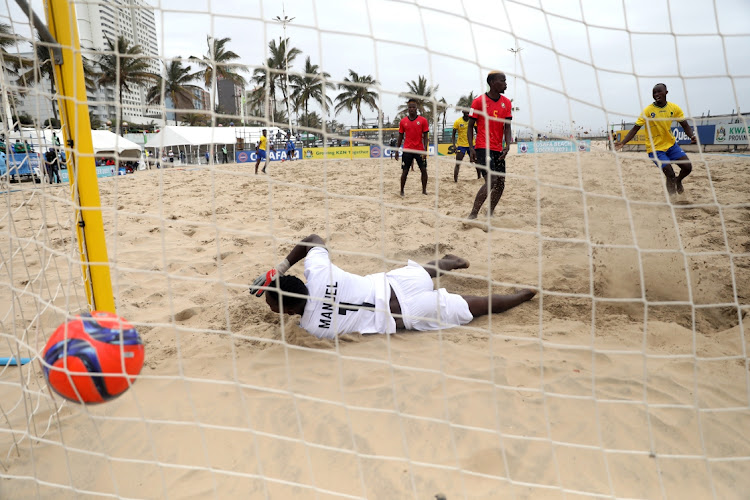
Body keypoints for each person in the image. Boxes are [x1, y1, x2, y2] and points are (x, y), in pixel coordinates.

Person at [248, 234, 536, 338]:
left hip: (407, 315)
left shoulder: (312, 329)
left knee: (477, 306)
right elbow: (313, 239)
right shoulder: (318, 274)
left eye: (270, 303)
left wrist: (274, 281)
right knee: (424, 273)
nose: (268, 306)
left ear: (284, 308)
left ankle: (521, 296)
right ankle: (448, 262)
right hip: (394, 284)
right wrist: (279, 270)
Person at [615, 83, 697, 195]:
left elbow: (685, 125)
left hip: (671, 145)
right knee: (670, 173)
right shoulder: (648, 111)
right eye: (654, 92)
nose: (656, 94)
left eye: (659, 91)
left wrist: (691, 136)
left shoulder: (674, 108)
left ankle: (679, 181)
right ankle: (673, 200)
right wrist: (623, 143)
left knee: (687, 167)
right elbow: (635, 129)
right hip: (655, 149)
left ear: (666, 92)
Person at [466, 71, 513, 220]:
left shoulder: (507, 102)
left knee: (500, 183)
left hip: (498, 148)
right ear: (492, 82)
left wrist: (507, 145)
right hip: (482, 146)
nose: (506, 84)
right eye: (503, 80)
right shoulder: (478, 102)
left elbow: (507, 127)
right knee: (492, 180)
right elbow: (470, 126)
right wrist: (471, 148)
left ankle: (490, 213)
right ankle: (473, 214)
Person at [395, 99, 430, 196]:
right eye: (410, 107)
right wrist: (397, 150)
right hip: (407, 150)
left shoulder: (423, 120)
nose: (412, 109)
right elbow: (400, 136)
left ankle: (424, 190)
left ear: (416, 108)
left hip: (419, 150)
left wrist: (425, 150)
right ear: (408, 109)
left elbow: (426, 136)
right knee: (405, 171)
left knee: (423, 170)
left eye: (413, 107)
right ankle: (402, 190)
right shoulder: (403, 121)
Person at [451, 109, 480, 182]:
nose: (468, 113)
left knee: (477, 161)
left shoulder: (472, 121)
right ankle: (455, 180)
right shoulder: (458, 122)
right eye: (466, 112)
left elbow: (478, 132)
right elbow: (453, 135)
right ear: (463, 113)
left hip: (472, 145)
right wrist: (454, 145)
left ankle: (479, 177)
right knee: (458, 163)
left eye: (468, 112)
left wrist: (478, 143)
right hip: (461, 145)